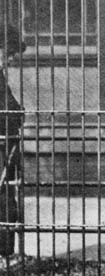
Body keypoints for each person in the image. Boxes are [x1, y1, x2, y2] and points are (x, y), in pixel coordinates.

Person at [0, 24, 25, 257]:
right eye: (7, 53)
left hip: (5, 145)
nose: (10, 59)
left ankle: (5, 251)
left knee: (6, 197)